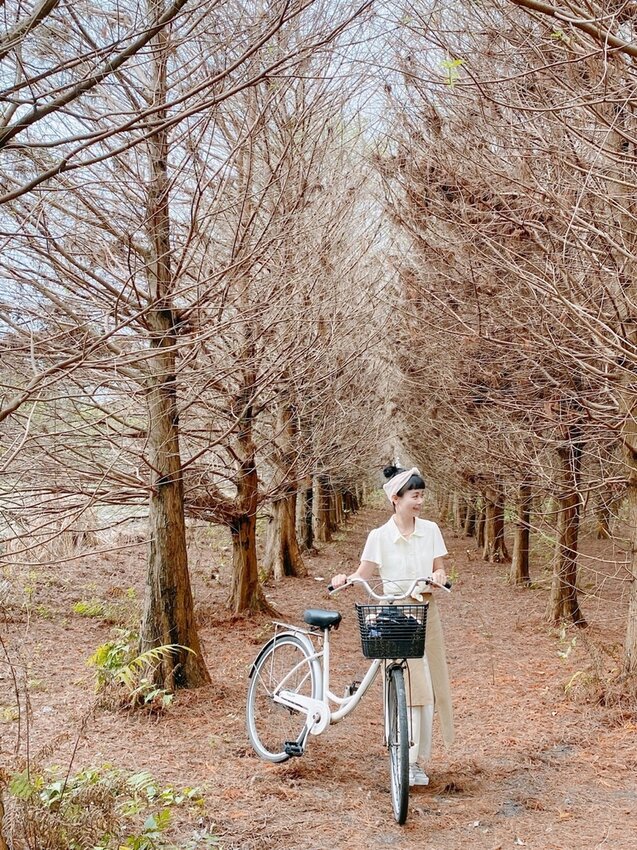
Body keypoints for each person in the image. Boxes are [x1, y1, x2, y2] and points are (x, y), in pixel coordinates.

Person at [331, 464, 454, 787]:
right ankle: (408, 761)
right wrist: (346, 579)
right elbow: (364, 574)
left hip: (426, 613)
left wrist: (439, 577)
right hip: (395, 616)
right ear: (395, 499)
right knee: (415, 691)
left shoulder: (431, 530)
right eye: (415, 496)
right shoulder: (379, 536)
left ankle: (414, 756)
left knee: (433, 685)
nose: (420, 501)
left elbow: (439, 569)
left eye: (422, 495)